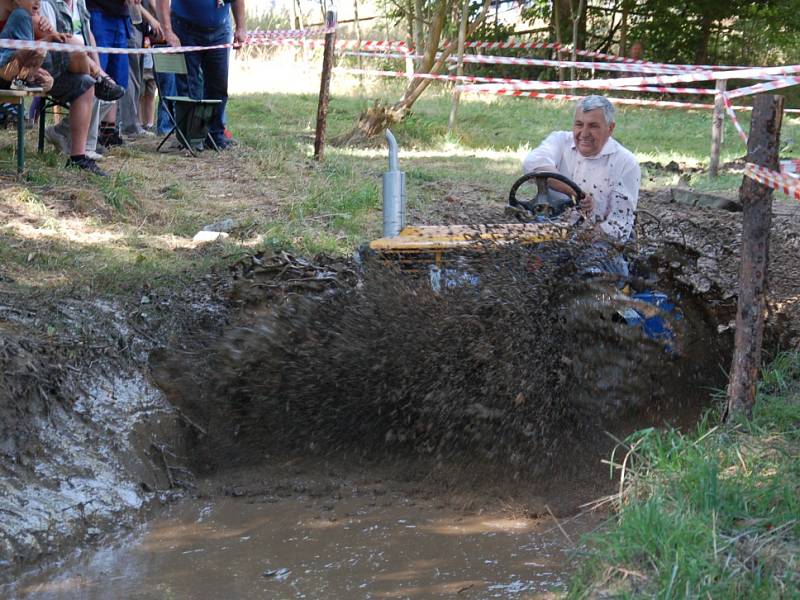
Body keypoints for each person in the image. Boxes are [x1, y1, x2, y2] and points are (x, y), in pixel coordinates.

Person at [522, 95, 640, 243]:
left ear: (610, 128)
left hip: (597, 243)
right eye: (579, 124)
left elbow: (619, 227)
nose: (584, 133)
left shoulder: (625, 163)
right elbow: (533, 163)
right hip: (548, 232)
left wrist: (575, 240)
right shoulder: (560, 141)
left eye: (593, 126)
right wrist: (575, 193)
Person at [156, 0, 246, 150]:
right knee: (189, 86)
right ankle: (190, 137)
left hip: (220, 28)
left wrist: (241, 27)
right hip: (185, 28)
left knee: (218, 86)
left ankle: (215, 135)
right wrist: (168, 32)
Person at [0, 0, 53, 92]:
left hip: (10, 74)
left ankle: (22, 81)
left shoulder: (26, 18)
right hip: (5, 70)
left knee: (42, 52)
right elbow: (29, 49)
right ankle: (23, 80)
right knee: (40, 51)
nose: (38, 2)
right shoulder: (21, 14)